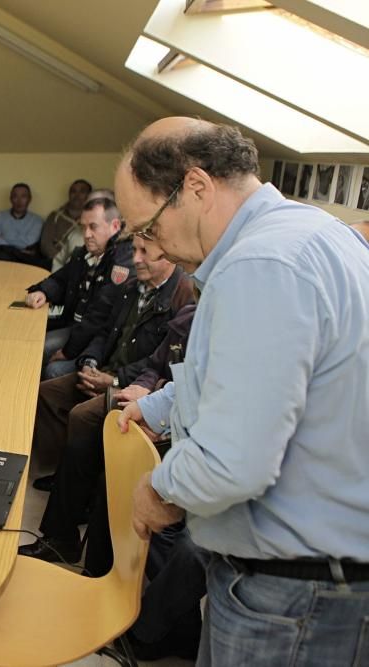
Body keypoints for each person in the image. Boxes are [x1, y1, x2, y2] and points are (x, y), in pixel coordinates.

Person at [116, 118, 369, 666]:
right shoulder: (314, 231)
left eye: (151, 227)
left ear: (197, 187)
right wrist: (157, 405)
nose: (151, 246)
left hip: (293, 594)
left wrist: (159, 489)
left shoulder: (260, 265)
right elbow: (257, 381)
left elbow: (234, 461)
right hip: (322, 581)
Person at [22, 236, 193, 546]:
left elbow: (158, 364)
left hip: (132, 384)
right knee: (48, 393)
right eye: (136, 250)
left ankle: (61, 533)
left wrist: (114, 381)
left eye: (145, 253)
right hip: (109, 373)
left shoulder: (182, 297)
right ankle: (67, 477)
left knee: (83, 418)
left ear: (168, 257)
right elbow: (104, 332)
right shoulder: (131, 287)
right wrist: (89, 362)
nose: (135, 258)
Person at [24, 197, 134, 379]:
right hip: (75, 327)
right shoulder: (85, 253)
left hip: (96, 340)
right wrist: (43, 291)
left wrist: (68, 351)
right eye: (83, 227)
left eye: (93, 226)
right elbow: (61, 279)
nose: (86, 234)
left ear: (114, 226)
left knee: (42, 354)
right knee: (32, 340)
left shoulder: (121, 262)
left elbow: (99, 316)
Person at [0, 183, 47, 267]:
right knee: (0, 255)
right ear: (10, 199)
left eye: (23, 196)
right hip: (2, 260)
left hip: (25, 261)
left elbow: (29, 242)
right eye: (15, 196)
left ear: (29, 199)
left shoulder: (37, 220)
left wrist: (4, 240)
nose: (19, 201)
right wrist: (19, 250)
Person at [40, 179, 92, 267]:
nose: (77, 195)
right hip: (53, 262)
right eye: (73, 191)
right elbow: (45, 244)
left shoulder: (92, 220)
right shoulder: (55, 216)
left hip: (80, 264)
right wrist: (60, 262)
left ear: (89, 195)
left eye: (82, 192)